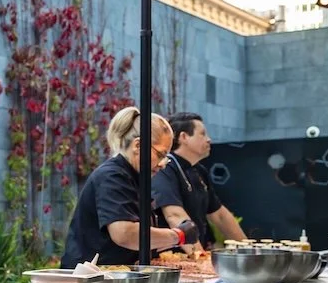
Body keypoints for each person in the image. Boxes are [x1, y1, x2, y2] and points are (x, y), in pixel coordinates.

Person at [61, 107, 199, 268]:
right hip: (89, 276)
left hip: (113, 273)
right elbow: (125, 233)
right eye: (160, 154)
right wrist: (178, 235)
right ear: (138, 145)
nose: (163, 164)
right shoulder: (112, 176)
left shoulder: (134, 178)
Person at [152, 112, 246, 251]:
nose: (209, 139)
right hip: (171, 256)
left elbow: (220, 216)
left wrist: (249, 249)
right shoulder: (164, 167)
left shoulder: (199, 170)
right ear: (184, 137)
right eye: (202, 134)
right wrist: (199, 257)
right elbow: (174, 215)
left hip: (194, 253)